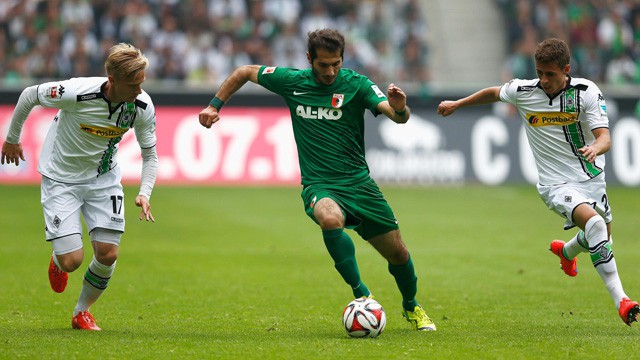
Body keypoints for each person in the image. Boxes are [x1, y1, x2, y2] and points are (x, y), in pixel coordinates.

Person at [198, 28, 436, 331]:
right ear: (309, 59)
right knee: (329, 217)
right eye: (323, 64)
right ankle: (362, 294)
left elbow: (397, 116)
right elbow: (244, 71)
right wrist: (213, 106)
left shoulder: (357, 84)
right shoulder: (293, 82)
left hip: (359, 184)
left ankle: (411, 306)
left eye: (336, 63)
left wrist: (401, 107)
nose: (330, 71)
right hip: (319, 184)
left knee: (398, 253)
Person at [437, 38, 639, 326]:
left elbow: (604, 135)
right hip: (555, 185)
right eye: (539, 72)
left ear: (566, 69)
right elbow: (494, 92)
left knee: (603, 239)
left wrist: (596, 147)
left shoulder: (586, 93)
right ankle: (622, 300)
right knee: (595, 226)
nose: (543, 80)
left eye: (550, 74)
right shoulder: (525, 90)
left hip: (592, 177)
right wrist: (458, 103)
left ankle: (567, 250)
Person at [1, 43, 158, 331]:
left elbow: (150, 156)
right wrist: (12, 138)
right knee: (72, 260)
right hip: (61, 177)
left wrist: (144, 193)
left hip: (103, 178)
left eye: (141, 83)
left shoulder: (142, 106)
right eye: (133, 84)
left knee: (108, 253)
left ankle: (82, 312)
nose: (139, 90)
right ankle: (58, 260)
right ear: (112, 81)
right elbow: (29, 95)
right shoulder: (76, 92)